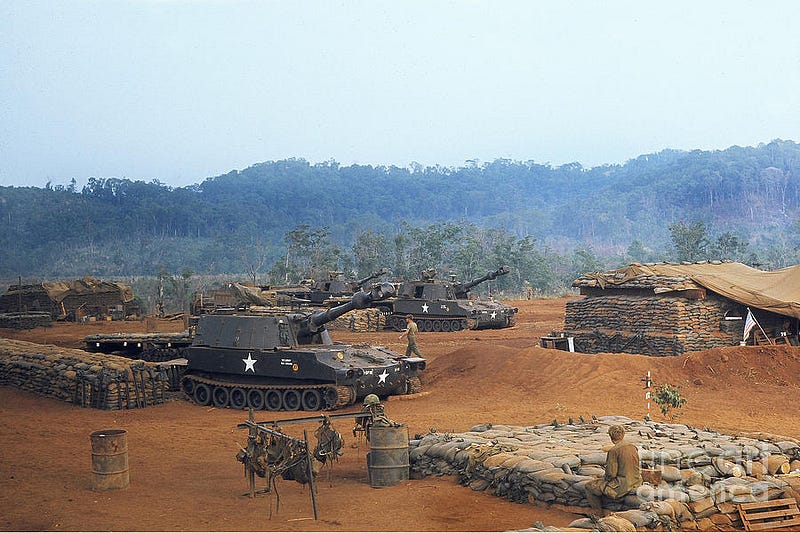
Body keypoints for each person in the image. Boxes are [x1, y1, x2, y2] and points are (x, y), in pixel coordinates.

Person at [584, 425, 642, 512]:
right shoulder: (633, 447)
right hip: (636, 480)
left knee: (589, 486)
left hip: (623, 484)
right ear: (623, 434)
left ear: (611, 437)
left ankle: (598, 513)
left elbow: (611, 474)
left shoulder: (613, 451)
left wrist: (603, 480)